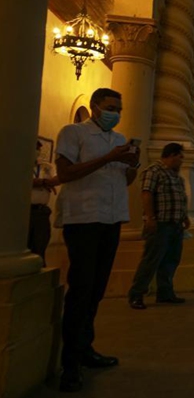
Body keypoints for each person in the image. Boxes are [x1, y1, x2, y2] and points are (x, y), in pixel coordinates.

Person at [55, 88, 140, 392]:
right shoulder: (73, 132)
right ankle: (70, 364)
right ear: (94, 107)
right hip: (83, 219)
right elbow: (64, 173)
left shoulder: (119, 140)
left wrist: (131, 165)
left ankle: (85, 348)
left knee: (97, 291)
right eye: (109, 107)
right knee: (81, 289)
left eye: (118, 108)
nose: (114, 113)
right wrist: (109, 157)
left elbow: (123, 179)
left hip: (112, 218)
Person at [128, 143, 190, 310]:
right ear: (170, 155)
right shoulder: (154, 171)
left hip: (175, 225)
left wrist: (184, 217)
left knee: (170, 261)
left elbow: (180, 199)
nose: (181, 160)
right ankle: (137, 294)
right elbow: (146, 193)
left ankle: (165, 293)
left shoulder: (177, 177)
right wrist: (150, 218)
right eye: (179, 157)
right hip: (160, 224)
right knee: (151, 260)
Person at [30, 140, 59, 266]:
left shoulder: (46, 167)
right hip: (23, 212)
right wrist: (43, 183)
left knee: (40, 248)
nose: (37, 151)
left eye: (38, 148)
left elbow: (55, 180)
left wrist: (42, 182)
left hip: (41, 212)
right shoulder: (17, 166)